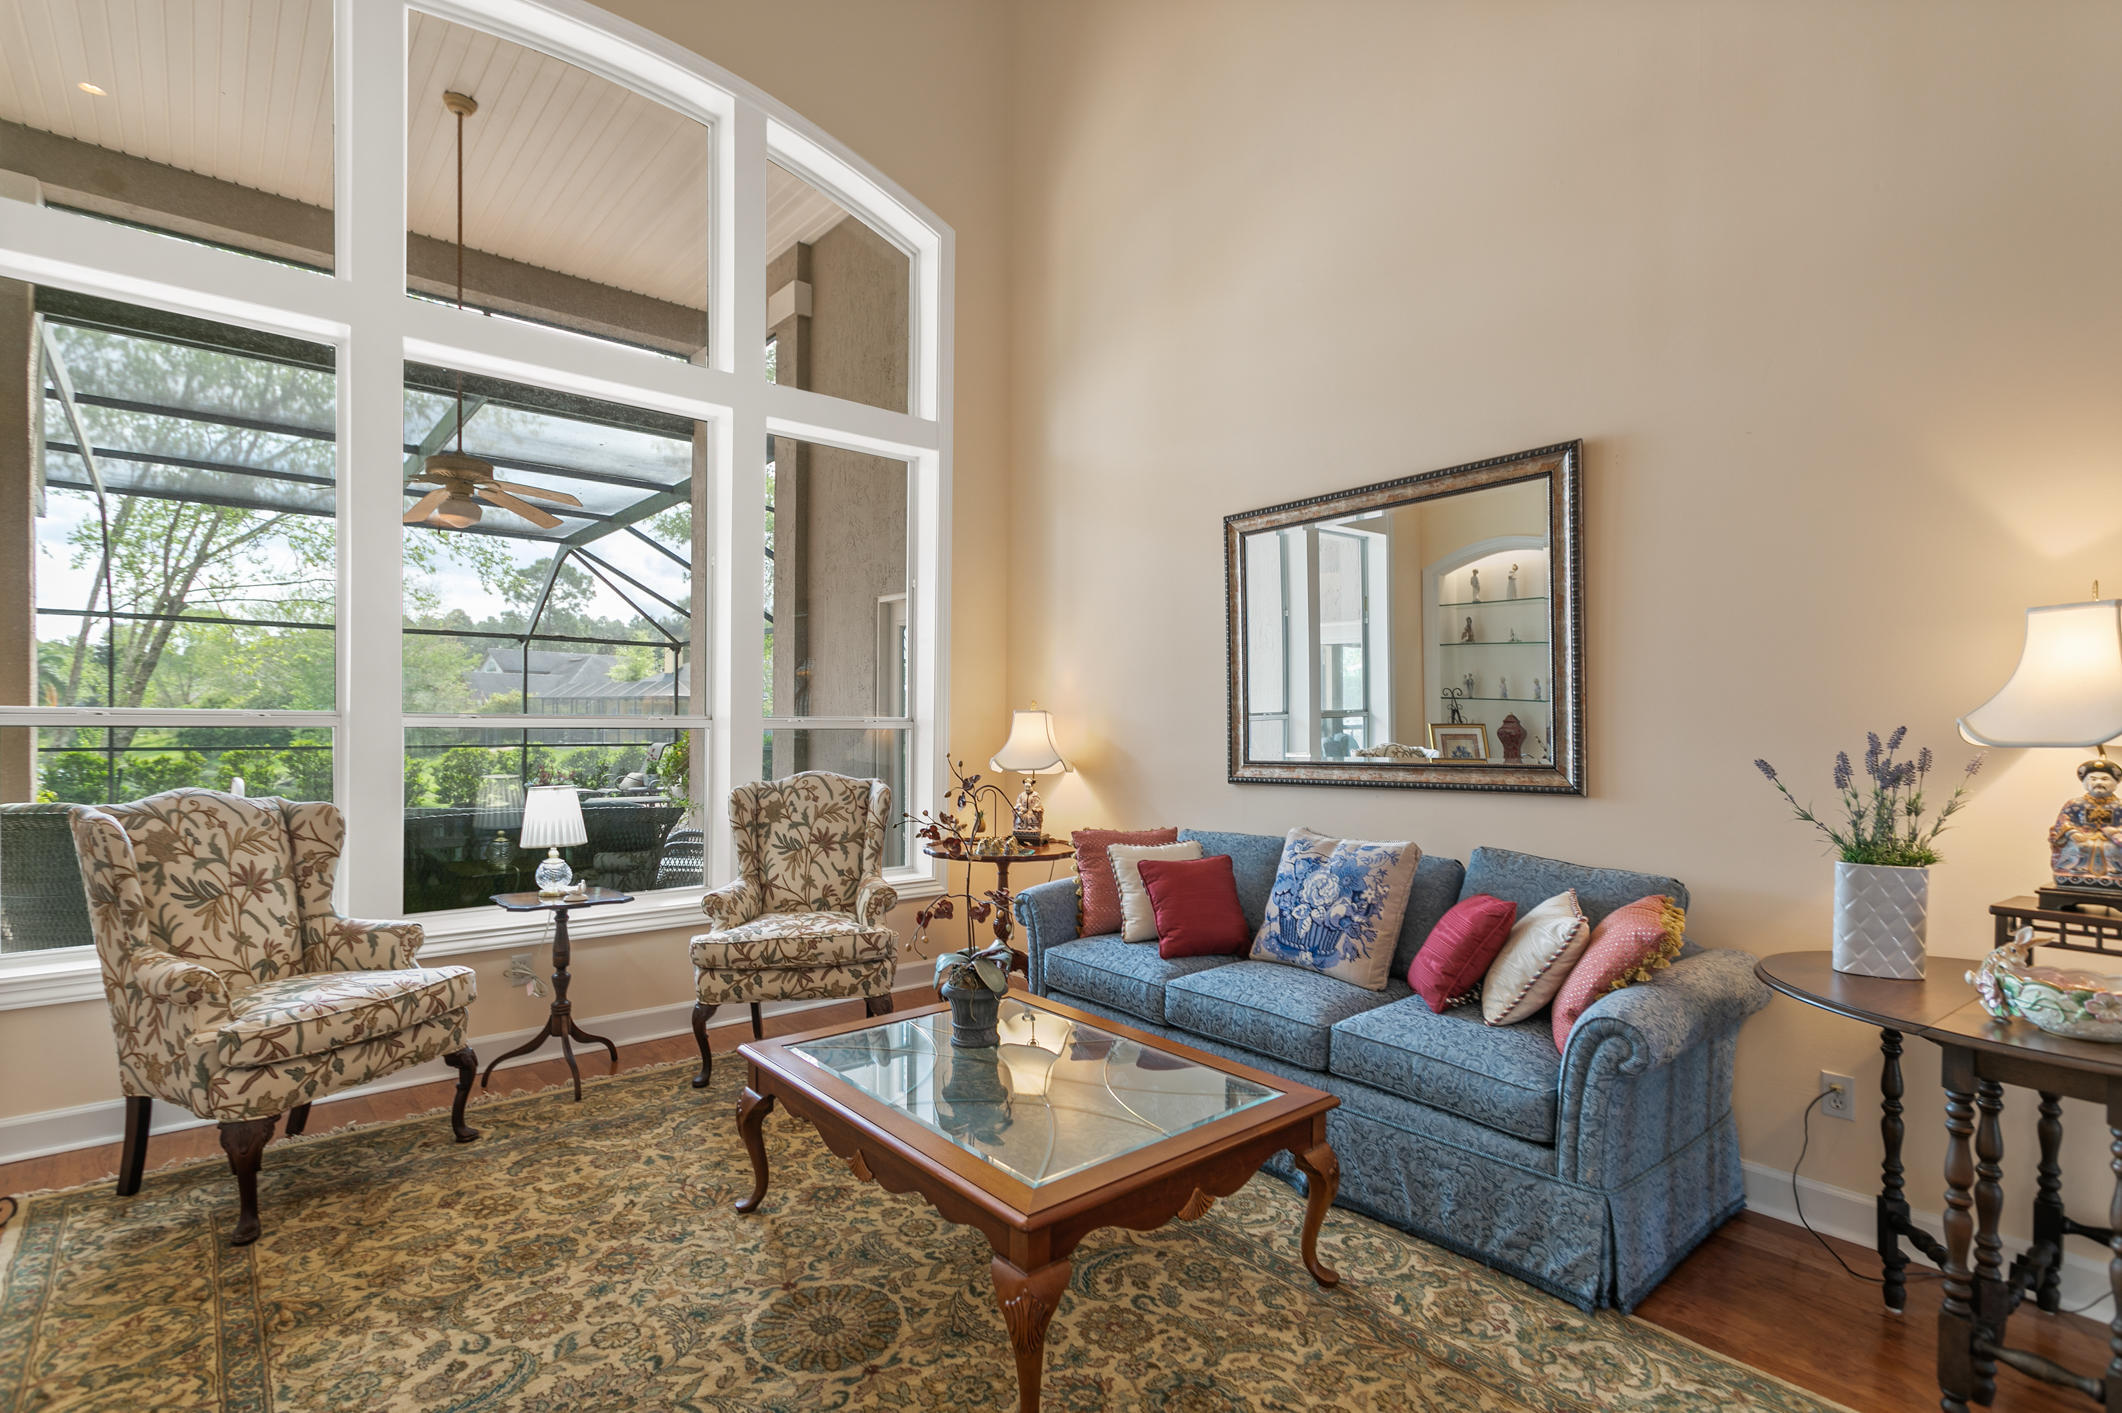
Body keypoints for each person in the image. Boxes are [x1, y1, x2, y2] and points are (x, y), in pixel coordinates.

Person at [2051, 757, 2122, 890]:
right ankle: (2076, 869)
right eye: (2093, 779)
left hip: (2111, 839)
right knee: (2080, 846)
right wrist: (2072, 832)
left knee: (2112, 848)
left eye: (2104, 779)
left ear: (2116, 783)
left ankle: (2116, 871)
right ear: (2084, 782)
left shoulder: (2119, 805)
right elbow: (2064, 820)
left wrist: (2115, 832)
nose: (2098, 782)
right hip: (2083, 836)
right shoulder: (2075, 803)